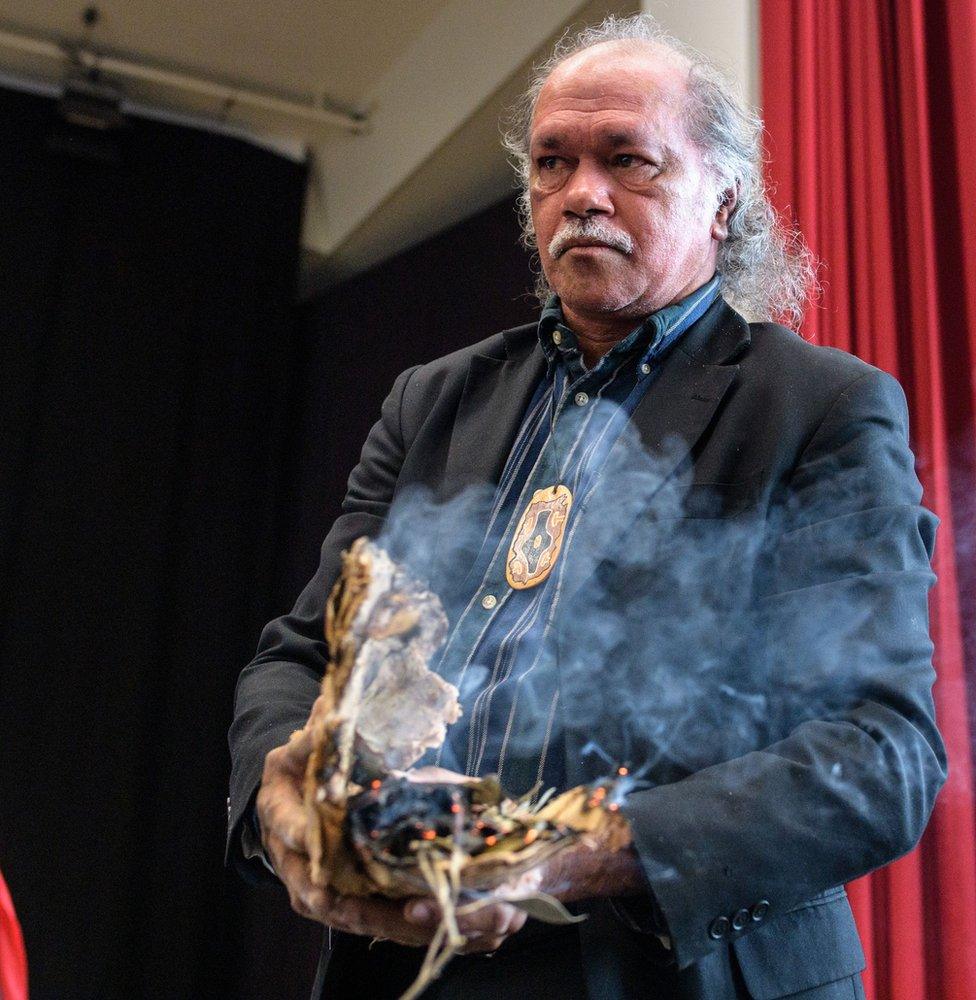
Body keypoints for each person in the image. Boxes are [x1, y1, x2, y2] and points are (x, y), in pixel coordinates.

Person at [227, 15, 946, 1000]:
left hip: (666, 969)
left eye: (628, 161)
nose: (581, 194)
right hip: (409, 970)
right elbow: (301, 656)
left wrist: (557, 854)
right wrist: (287, 801)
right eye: (553, 163)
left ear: (723, 200)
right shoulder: (433, 401)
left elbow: (882, 756)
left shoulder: (817, 409)